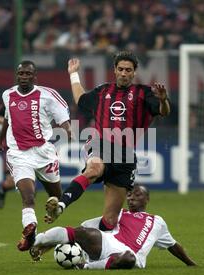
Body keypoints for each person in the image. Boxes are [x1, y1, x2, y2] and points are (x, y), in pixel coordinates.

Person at [45, 50, 171, 231]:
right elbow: (81, 99)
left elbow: (164, 111)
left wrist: (164, 100)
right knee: (94, 169)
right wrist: (73, 74)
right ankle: (60, 206)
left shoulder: (144, 93)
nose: (124, 73)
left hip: (125, 156)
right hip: (100, 143)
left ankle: (82, 243)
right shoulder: (103, 91)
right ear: (115, 70)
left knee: (110, 221)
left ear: (134, 72)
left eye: (128, 70)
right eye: (121, 69)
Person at [0, 60, 71, 252]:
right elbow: (7, 119)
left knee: (57, 197)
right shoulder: (8, 95)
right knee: (28, 197)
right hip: (19, 154)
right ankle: (30, 233)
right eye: (21, 74)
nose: (24, 77)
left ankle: (52, 215)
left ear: (35, 77)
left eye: (28, 74)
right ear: (17, 76)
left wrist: (68, 134)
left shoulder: (48, 95)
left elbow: (64, 119)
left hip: (44, 153)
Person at [31, 184, 196, 269]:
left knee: (129, 258)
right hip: (108, 244)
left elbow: (173, 245)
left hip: (130, 255)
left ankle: (86, 267)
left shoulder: (158, 221)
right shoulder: (119, 213)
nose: (131, 198)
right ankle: (36, 240)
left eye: (137, 195)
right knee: (82, 232)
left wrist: (191, 264)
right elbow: (81, 230)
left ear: (147, 199)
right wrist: (49, 244)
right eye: (130, 195)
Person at [0, 103, 15, 209]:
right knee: (11, 181)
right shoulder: (8, 102)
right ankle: (3, 189)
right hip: (11, 148)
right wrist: (10, 122)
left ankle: (29, 209)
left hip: (29, 147)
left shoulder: (34, 102)